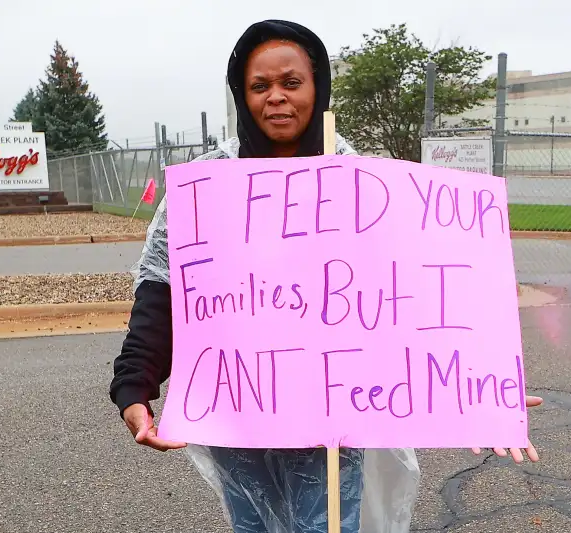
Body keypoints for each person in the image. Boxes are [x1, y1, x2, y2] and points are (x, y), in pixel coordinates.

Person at [110, 20, 541, 533]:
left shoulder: (361, 183)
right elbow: (163, 291)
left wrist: (479, 392)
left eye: (291, 83)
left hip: (329, 421)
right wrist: (133, 388)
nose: (276, 98)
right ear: (241, 95)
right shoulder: (208, 188)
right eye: (259, 86)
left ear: (317, 89)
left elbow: (413, 289)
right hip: (237, 414)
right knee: (254, 526)